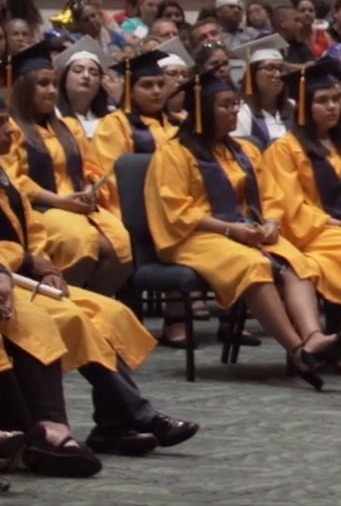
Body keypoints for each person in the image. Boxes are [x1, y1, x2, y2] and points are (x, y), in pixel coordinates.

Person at [0, 106, 199, 465]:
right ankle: (119, 419)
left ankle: (113, 423)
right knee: (74, 319)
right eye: (1, 122)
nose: (12, 130)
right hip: (8, 282)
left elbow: (31, 231)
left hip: (22, 276)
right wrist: (21, 261)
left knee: (108, 312)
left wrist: (43, 262)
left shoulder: (3, 175)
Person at [145, 70, 341, 390]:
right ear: (203, 111)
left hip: (244, 231)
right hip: (192, 237)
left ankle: (313, 337)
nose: (234, 112)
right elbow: (177, 211)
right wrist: (230, 230)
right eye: (226, 105)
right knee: (255, 265)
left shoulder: (245, 151)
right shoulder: (174, 153)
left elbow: (270, 195)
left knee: (299, 262)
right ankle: (296, 351)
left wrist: (270, 223)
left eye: (235, 104)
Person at [262, 59, 341, 377]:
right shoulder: (285, 149)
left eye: (337, 99)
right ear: (304, 104)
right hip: (312, 232)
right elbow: (291, 205)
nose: (333, 106)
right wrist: (340, 224)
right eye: (323, 100)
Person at [3, 41, 132, 296]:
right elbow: (12, 180)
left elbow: (90, 167)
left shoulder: (69, 127)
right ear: (23, 88)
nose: (52, 91)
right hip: (42, 209)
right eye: (43, 84)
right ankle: (65, 307)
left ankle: (95, 312)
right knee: (79, 242)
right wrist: (61, 201)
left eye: (53, 83)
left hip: (77, 205)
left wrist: (88, 188)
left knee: (122, 246)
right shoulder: (12, 130)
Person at [54, 39, 112, 138]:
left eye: (93, 73)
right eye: (78, 70)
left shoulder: (110, 119)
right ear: (65, 78)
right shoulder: (53, 116)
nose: (86, 76)